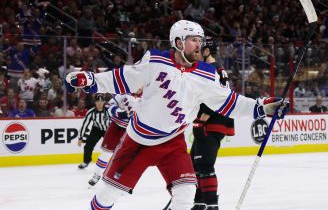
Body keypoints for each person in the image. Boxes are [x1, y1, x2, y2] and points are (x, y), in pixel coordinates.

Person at [65, 20, 289, 210]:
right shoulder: (155, 61)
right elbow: (123, 78)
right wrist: (91, 81)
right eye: (194, 40)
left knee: (186, 193)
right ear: (179, 42)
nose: (199, 45)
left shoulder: (206, 75)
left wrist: (263, 108)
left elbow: (229, 103)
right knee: (107, 196)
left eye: (201, 41)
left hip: (173, 143)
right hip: (137, 141)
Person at [190, 36, 234, 210]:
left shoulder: (211, 69)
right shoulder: (218, 69)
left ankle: (211, 205)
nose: (196, 55)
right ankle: (200, 203)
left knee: (204, 165)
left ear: (207, 52)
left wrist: (202, 119)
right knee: (195, 164)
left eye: (198, 51)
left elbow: (216, 97)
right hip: (214, 123)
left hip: (211, 123)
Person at [88, 94, 139, 186]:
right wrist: (119, 112)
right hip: (115, 127)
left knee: (125, 156)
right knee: (106, 153)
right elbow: (109, 105)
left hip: (131, 130)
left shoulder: (147, 96)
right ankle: (97, 174)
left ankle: (115, 177)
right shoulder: (124, 92)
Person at [77, 93, 110, 169]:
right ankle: (86, 161)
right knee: (88, 146)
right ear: (95, 102)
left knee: (113, 147)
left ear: (104, 102)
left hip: (108, 130)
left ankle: (114, 163)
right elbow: (85, 125)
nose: (99, 103)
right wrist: (80, 138)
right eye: (98, 101)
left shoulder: (109, 110)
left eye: (101, 101)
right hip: (96, 129)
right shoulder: (91, 112)